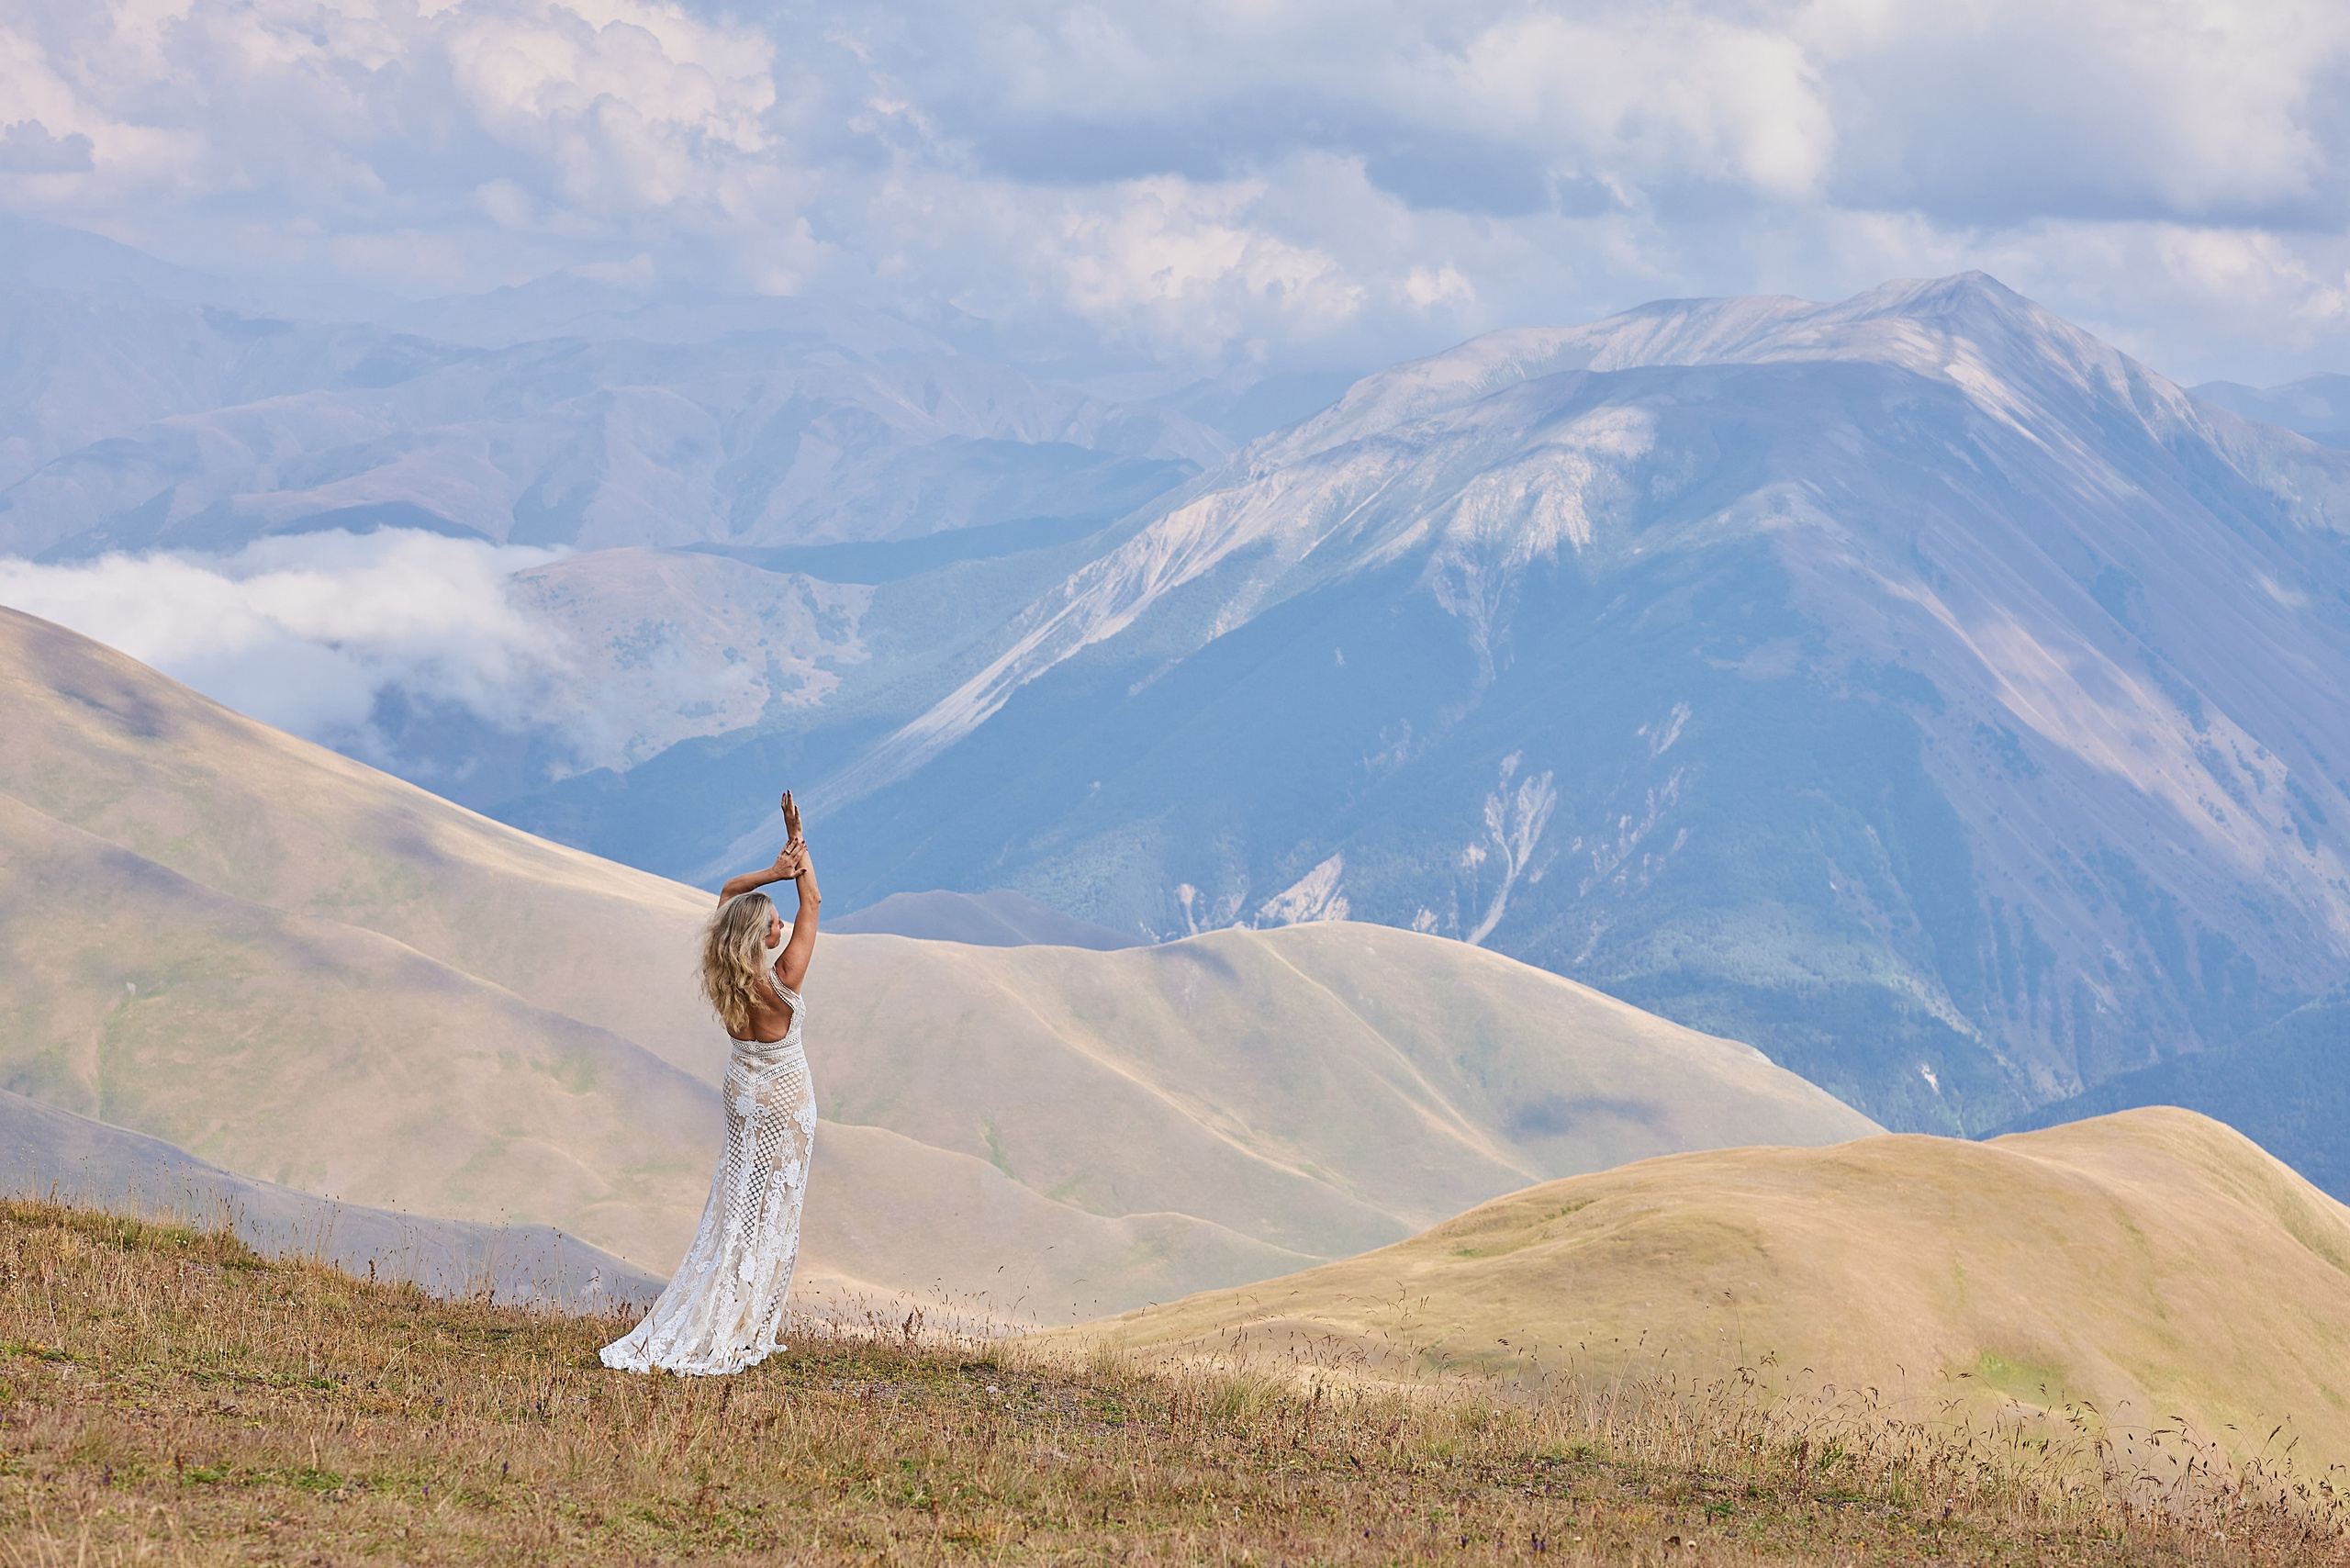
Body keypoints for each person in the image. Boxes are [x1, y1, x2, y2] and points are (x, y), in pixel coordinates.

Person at [601, 790, 821, 1375]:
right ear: (764, 937)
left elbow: (728, 894)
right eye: (774, 920)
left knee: (735, 1199)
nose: (781, 924)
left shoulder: (724, 975)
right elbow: (814, 902)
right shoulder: (782, 981)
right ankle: (744, 1320)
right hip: (783, 1099)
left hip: (739, 1096)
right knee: (773, 1208)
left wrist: (774, 870)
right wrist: (801, 853)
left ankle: (722, 1302)